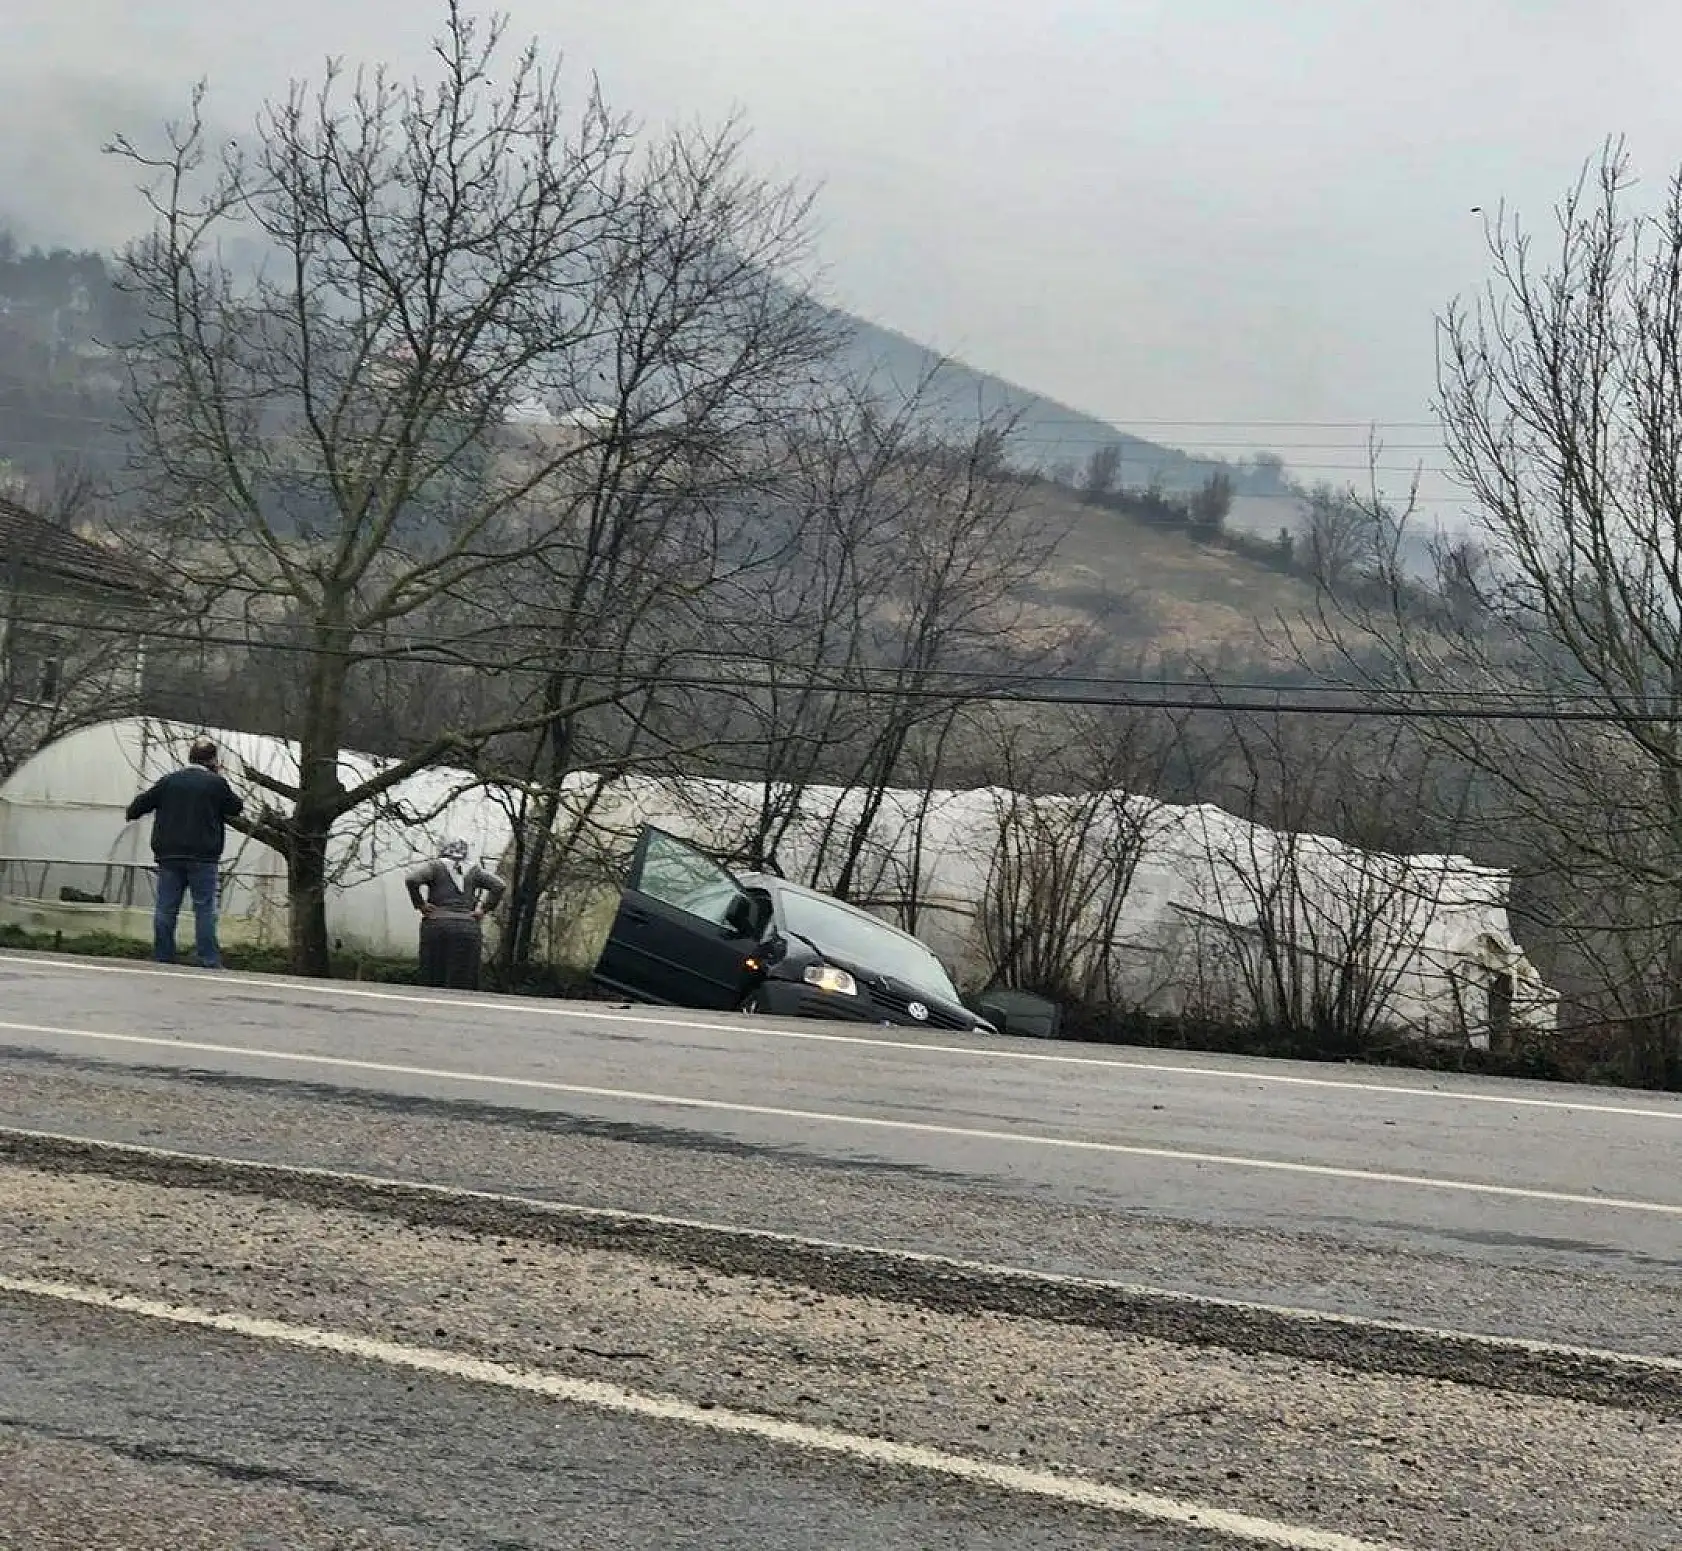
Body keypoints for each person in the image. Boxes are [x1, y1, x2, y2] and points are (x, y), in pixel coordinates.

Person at [125, 736, 245, 970]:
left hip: (169, 854)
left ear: (190, 757)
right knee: (204, 909)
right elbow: (235, 807)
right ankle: (208, 958)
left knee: (166, 907)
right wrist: (218, 779)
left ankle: (163, 956)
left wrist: (132, 813)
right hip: (203, 855)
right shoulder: (215, 784)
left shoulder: (169, 781)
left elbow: (140, 805)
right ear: (213, 760)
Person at [405, 838, 506, 991]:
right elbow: (499, 885)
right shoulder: (474, 870)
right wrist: (483, 909)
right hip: (467, 927)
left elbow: (412, 879)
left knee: (432, 976)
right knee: (463, 979)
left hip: (437, 926)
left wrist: (420, 904)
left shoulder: (435, 867)